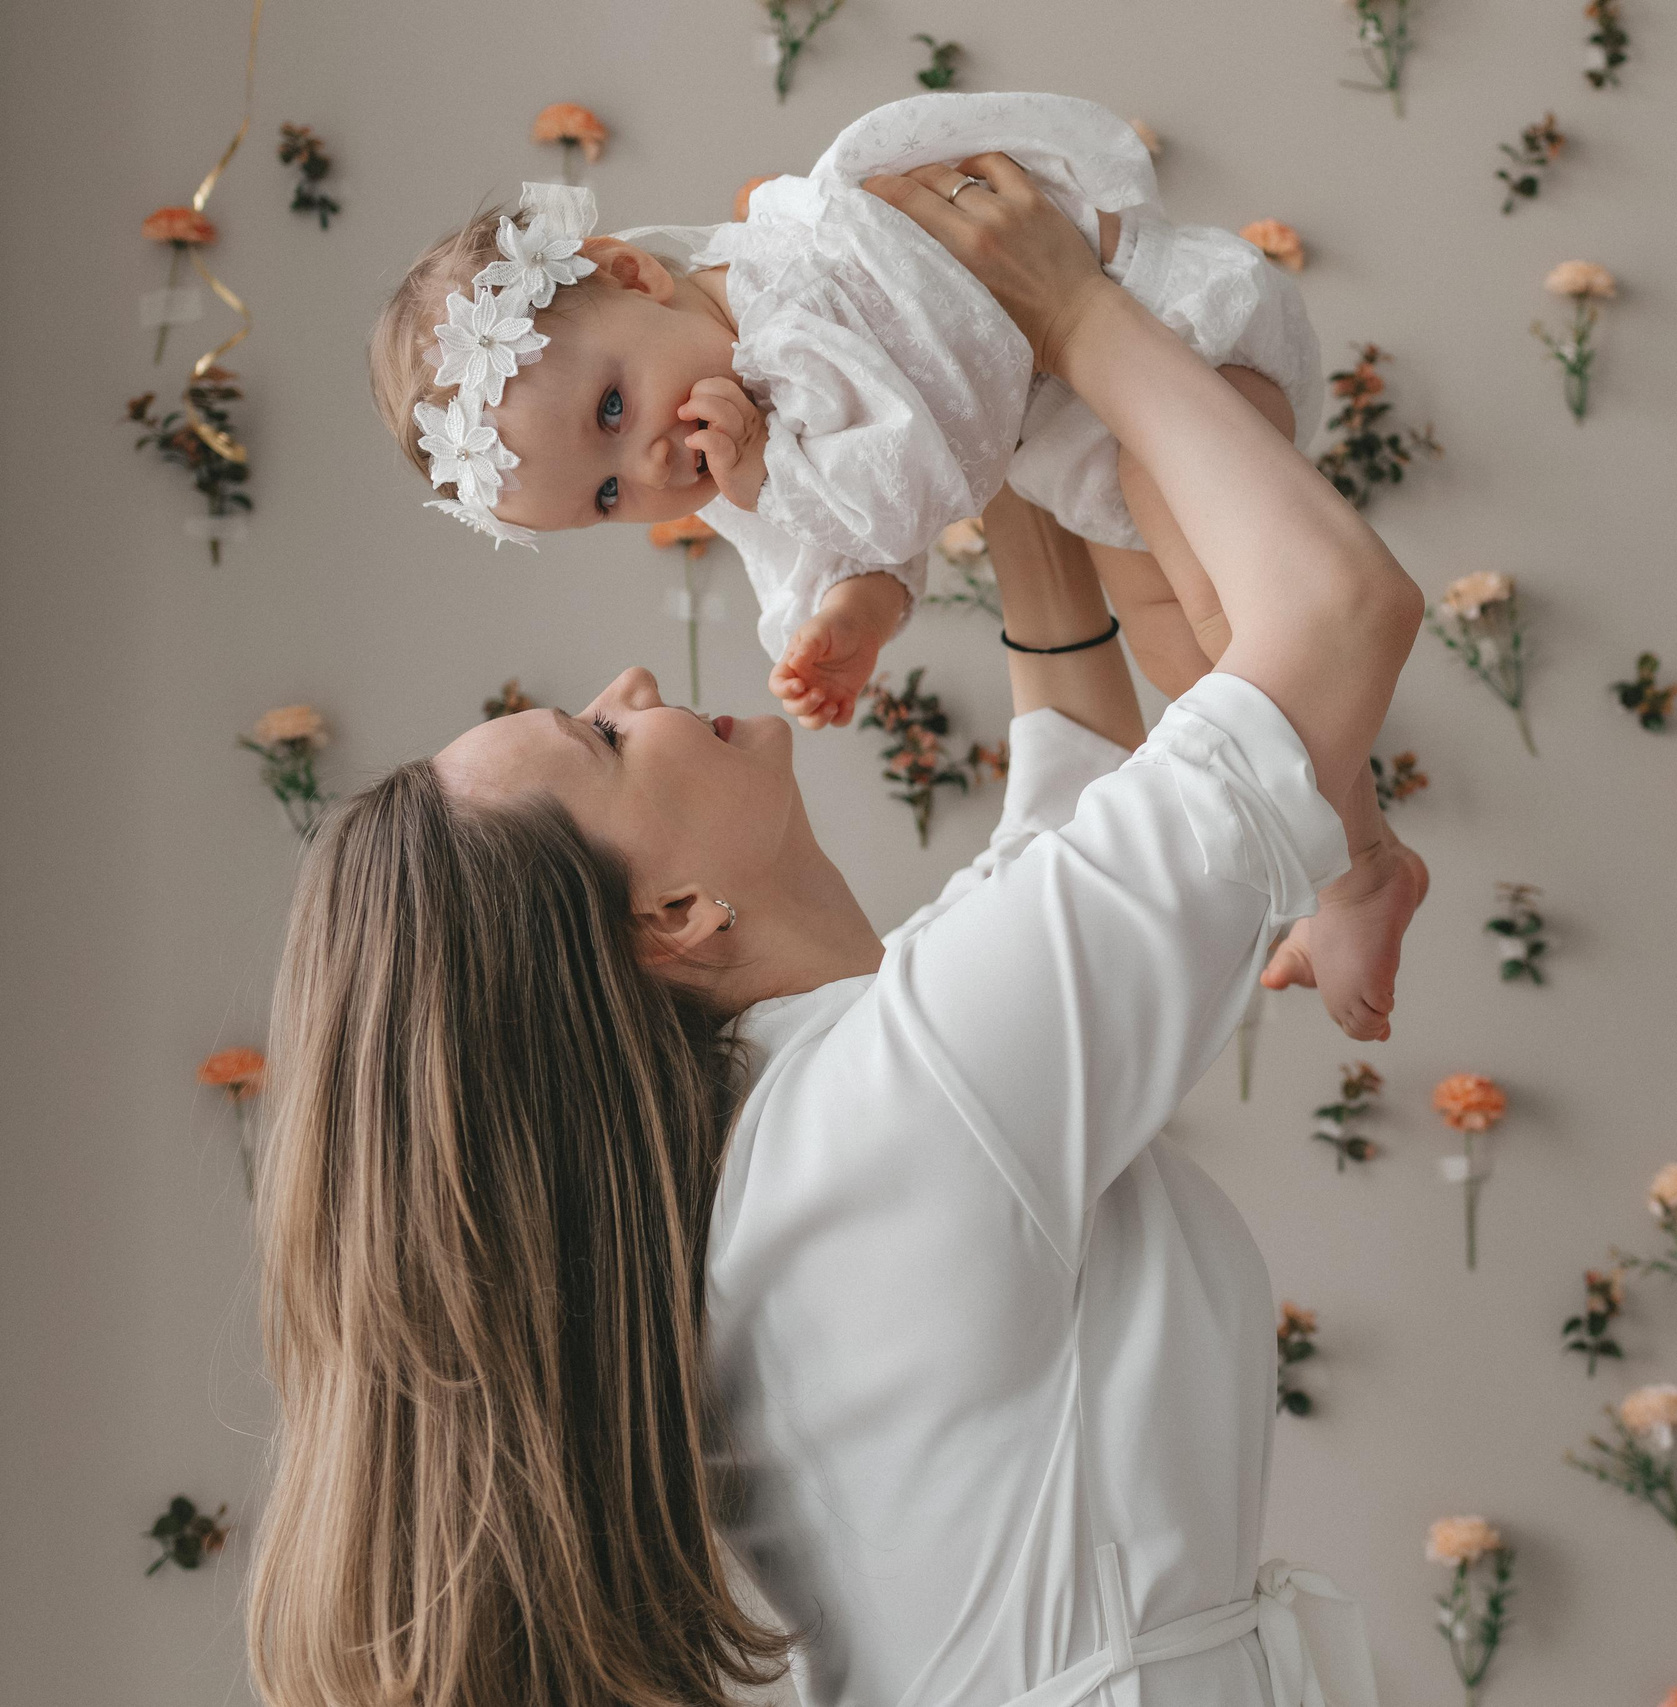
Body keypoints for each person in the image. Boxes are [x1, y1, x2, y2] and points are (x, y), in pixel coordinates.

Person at [250, 148, 1422, 1707]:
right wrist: (1074, 311)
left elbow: (1072, 794)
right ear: (675, 914)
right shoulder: (891, 1112)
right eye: (601, 737)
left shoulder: (793, 1137)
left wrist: (979, 405)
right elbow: (1339, 614)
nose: (635, 684)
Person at [367, 91, 1421, 1039]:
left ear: (636, 275)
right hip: (1089, 429)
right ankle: (1362, 864)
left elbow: (928, 475)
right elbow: (880, 534)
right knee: (1189, 662)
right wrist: (853, 615)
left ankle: (1358, 872)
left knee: (1240, 635)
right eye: (607, 496)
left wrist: (773, 480)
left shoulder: (798, 294)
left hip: (1173, 341)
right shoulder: (741, 434)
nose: (645, 465)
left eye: (611, 408)